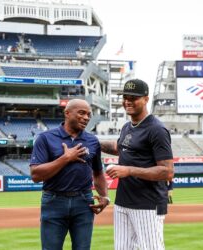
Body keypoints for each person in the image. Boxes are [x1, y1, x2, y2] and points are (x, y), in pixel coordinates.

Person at [100, 79, 174, 250]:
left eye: (133, 98)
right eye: (125, 97)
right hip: (123, 201)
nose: (127, 101)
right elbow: (120, 148)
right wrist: (94, 143)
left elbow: (167, 172)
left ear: (146, 99)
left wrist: (129, 170)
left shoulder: (157, 129)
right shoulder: (127, 126)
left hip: (148, 203)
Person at [30, 99, 110, 250]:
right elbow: (35, 175)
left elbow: (98, 173)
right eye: (81, 113)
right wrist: (66, 158)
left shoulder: (92, 141)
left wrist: (105, 196)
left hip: (84, 201)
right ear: (67, 113)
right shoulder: (46, 138)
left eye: (88, 114)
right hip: (54, 201)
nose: (86, 117)